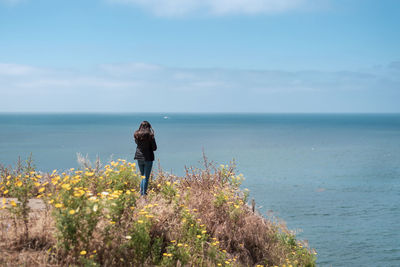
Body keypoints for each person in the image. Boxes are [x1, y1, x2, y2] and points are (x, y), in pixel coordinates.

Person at [134, 121, 157, 196]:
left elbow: (138, 144)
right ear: (149, 127)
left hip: (139, 157)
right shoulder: (150, 136)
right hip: (148, 158)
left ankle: (141, 193)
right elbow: (154, 148)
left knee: (142, 176)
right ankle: (143, 195)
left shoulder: (137, 135)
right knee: (145, 177)